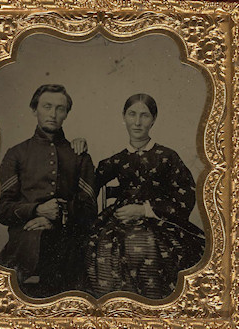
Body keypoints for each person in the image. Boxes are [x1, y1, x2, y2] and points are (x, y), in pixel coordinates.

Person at [86, 93, 205, 299]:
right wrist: (80, 150)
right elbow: (88, 184)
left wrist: (145, 210)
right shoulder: (117, 160)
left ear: (154, 119)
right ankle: (117, 308)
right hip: (119, 222)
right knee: (105, 247)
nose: (138, 122)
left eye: (145, 115)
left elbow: (186, 195)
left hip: (159, 223)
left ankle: (149, 308)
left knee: (144, 244)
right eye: (132, 114)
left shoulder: (168, 156)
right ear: (124, 117)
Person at [0, 84, 97, 297]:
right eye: (47, 106)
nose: (53, 114)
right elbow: (1, 210)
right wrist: (37, 210)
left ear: (67, 113)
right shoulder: (16, 154)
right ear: (34, 110)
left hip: (68, 241)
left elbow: (89, 210)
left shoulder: (79, 155)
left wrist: (58, 216)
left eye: (60, 108)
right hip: (25, 241)